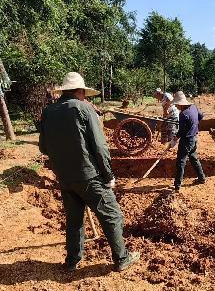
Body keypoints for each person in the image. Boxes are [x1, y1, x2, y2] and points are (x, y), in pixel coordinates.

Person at [39, 72, 140, 273]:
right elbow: (100, 147)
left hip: (65, 178)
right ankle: (122, 258)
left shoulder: (49, 111)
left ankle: (72, 261)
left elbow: (44, 147)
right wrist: (108, 175)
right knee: (113, 215)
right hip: (89, 176)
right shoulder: (84, 109)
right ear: (81, 91)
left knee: (74, 220)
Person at [171, 91, 206, 191]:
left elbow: (181, 131)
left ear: (180, 104)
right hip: (194, 138)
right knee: (194, 158)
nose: (176, 106)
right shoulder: (194, 107)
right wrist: (194, 125)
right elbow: (201, 116)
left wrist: (174, 139)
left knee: (180, 162)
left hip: (186, 141)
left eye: (177, 104)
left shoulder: (183, 114)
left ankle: (177, 185)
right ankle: (201, 178)